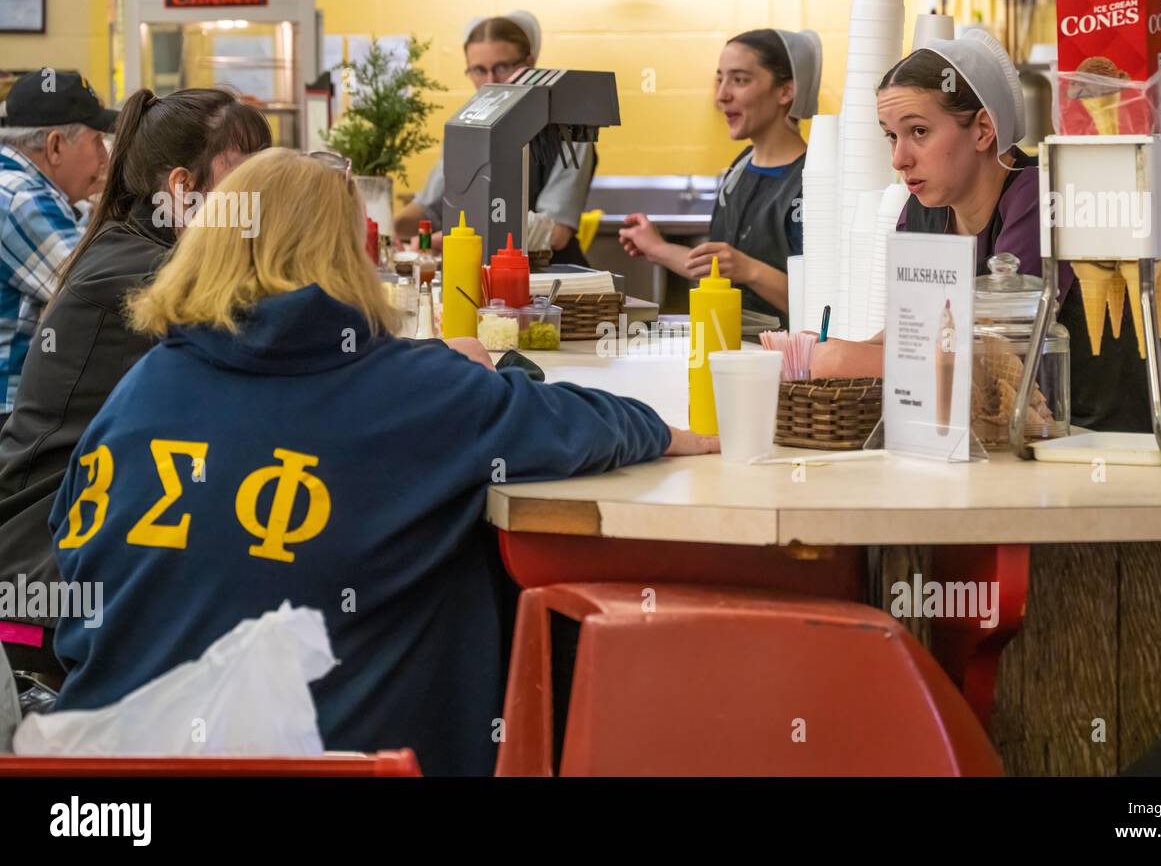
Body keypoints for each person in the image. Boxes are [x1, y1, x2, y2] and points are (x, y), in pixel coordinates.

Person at [47, 149, 717, 775]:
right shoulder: (415, 392)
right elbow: (573, 425)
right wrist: (662, 429)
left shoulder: (142, 389)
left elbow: (70, 565)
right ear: (349, 251)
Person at [812, 29, 1161, 442]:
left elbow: (995, 356)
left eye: (918, 132)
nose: (899, 159)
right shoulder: (919, 215)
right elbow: (919, 334)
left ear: (983, 130)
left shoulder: (1043, 198)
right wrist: (826, 352)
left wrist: (842, 359)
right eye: (890, 136)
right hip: (1081, 426)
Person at [0, 88, 271, 681]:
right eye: (249, 175)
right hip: (45, 581)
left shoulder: (136, 245)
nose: (267, 195)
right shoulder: (149, 276)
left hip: (76, 549)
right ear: (182, 187)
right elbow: (285, 349)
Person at [618, 28, 821, 328]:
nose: (722, 95)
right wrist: (657, 248)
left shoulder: (811, 181)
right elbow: (721, 269)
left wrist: (749, 270)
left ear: (785, 91)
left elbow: (822, 302)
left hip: (782, 357)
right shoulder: (740, 168)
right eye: (720, 79)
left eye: (739, 80)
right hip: (725, 342)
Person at [393, 10, 595, 264]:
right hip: (481, 273)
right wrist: (388, 227)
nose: (490, 81)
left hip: (551, 282)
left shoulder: (568, 132)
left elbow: (556, 233)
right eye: (478, 70)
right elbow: (428, 206)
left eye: (502, 67)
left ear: (529, 63)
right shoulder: (467, 129)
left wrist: (458, 237)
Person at [0, 70, 115, 425]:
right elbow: (93, 290)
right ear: (54, 146)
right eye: (97, 143)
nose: (105, 160)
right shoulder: (20, 197)